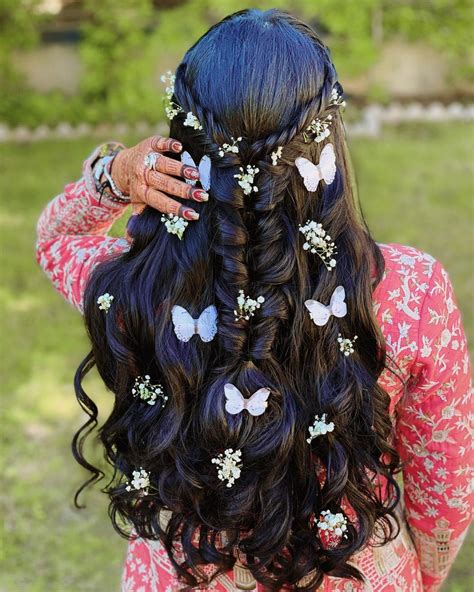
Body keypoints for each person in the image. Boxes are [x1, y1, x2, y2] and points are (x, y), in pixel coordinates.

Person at [36, 8, 472, 592]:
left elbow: (57, 239)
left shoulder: (136, 286)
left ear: (183, 143)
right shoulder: (411, 293)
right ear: (327, 145)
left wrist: (112, 175)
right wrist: (423, 573)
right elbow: (444, 487)